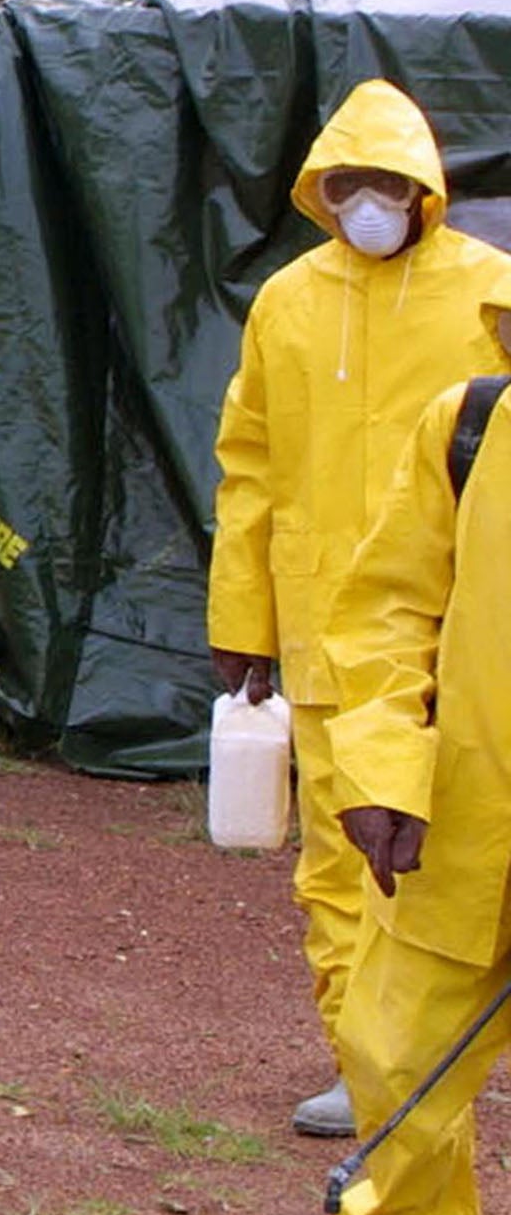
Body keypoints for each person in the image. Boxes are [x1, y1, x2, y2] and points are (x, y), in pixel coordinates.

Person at [207, 78, 511, 1138]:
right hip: (329, 633)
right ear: (317, 190)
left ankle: (446, 1054)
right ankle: (368, 1064)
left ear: (422, 188)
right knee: (342, 861)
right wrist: (239, 615)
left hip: (477, 643)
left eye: (385, 181)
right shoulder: (286, 301)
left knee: (473, 854)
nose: (365, 201)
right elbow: (246, 464)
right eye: (345, 183)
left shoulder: (489, 295)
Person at [319, 278, 511, 1215]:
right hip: (460, 828)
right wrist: (385, 767)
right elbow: (388, 611)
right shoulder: (469, 429)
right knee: (395, 1067)